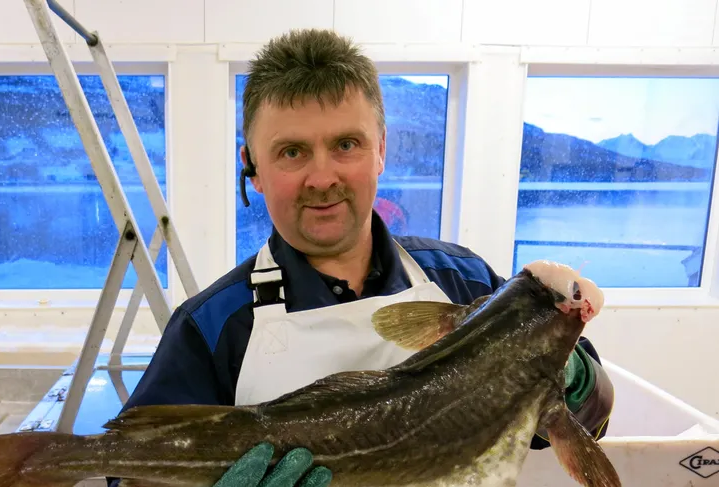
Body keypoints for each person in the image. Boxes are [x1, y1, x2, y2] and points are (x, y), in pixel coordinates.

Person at [111, 28, 614, 487]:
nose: (323, 177)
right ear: (253, 167)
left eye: (346, 144)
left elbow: (589, 417)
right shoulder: (211, 327)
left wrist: (567, 372)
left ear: (380, 150)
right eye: (292, 151)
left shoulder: (463, 281)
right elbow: (125, 468)